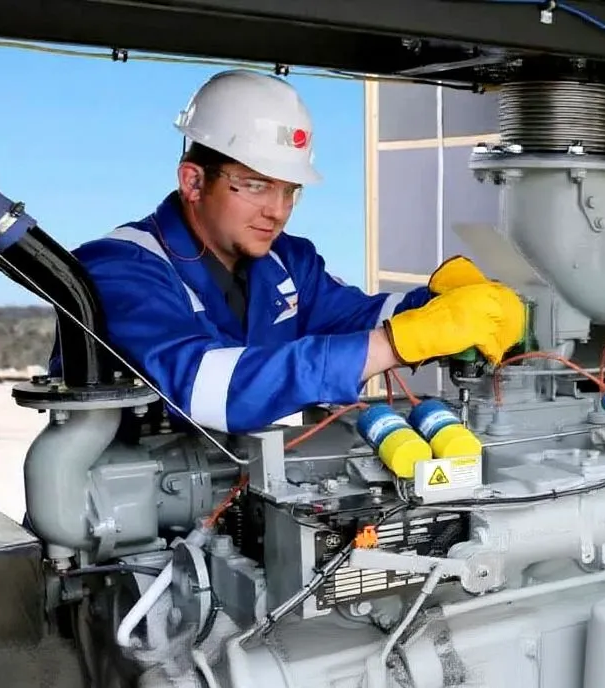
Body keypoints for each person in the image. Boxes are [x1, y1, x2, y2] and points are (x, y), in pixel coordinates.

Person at [59, 69, 524, 434]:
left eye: (290, 191)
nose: (277, 211)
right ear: (194, 182)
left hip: (236, 490)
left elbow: (359, 317)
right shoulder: (118, 269)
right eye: (256, 185)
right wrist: (393, 345)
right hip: (127, 508)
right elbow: (205, 387)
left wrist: (443, 304)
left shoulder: (286, 261)